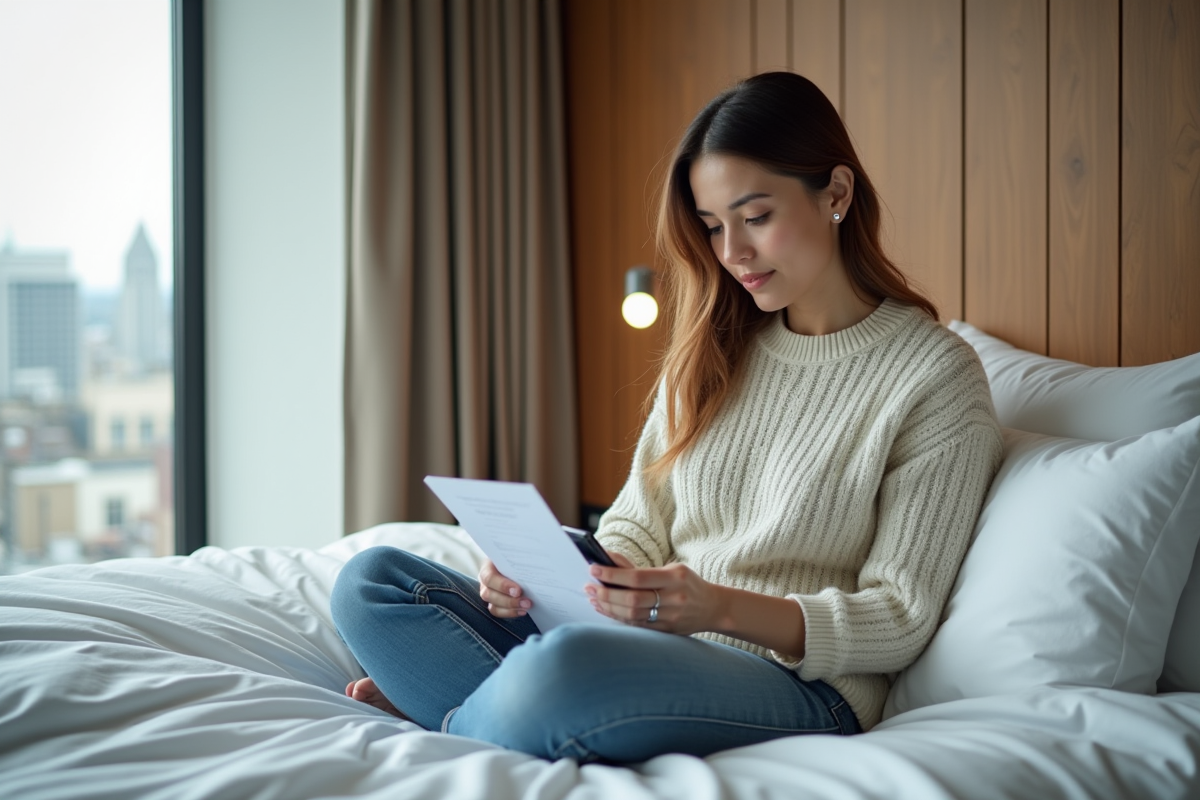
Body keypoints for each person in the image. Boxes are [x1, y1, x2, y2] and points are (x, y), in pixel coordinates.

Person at [330, 71, 1004, 764]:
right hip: (645, 644)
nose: (732, 253)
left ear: (835, 193)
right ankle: (486, 709)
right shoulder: (716, 349)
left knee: (561, 673)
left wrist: (718, 608)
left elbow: (899, 615)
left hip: (801, 685)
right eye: (714, 227)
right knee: (370, 582)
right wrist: (549, 571)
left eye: (757, 216)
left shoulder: (934, 377)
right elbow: (634, 528)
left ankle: (453, 712)